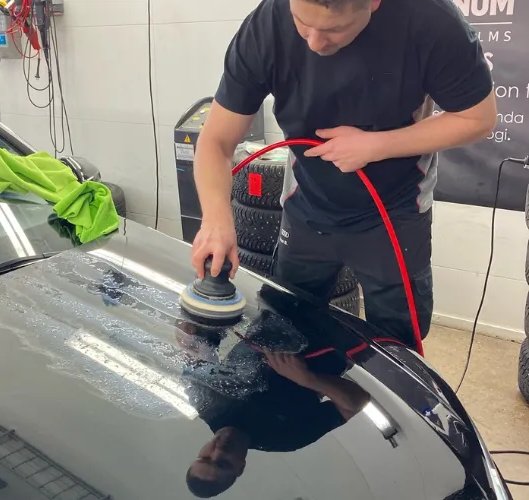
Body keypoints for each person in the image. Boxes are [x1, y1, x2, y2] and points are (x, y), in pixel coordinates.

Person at [190, 0, 498, 348]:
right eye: (301, 22)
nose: (314, 43)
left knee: (397, 346)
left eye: (334, 30)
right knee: (284, 326)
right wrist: (216, 221)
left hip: (395, 211)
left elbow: (478, 119)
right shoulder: (266, 27)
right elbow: (216, 141)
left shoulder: (432, 21)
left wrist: (376, 145)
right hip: (306, 205)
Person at [185, 348, 369, 498]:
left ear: (199, 453)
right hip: (339, 341)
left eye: (206, 458)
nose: (218, 452)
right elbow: (356, 403)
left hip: (277, 316)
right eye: (223, 463)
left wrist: (191, 333)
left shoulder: (206, 402)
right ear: (241, 467)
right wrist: (309, 379)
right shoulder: (284, 438)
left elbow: (200, 344)